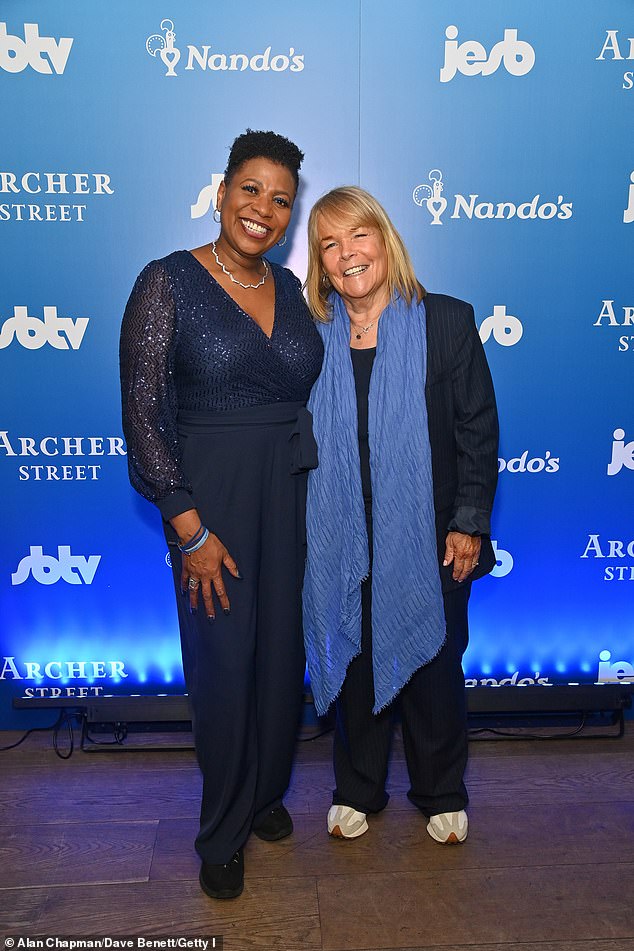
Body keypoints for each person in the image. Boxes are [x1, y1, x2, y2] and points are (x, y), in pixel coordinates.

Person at [119, 130, 323, 899]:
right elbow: (142, 412)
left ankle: (264, 790)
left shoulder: (294, 289)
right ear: (221, 192)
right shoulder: (167, 280)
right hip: (213, 505)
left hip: (291, 493)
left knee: (279, 658)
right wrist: (188, 526)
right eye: (251, 190)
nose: (263, 209)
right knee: (224, 666)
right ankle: (222, 828)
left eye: (280, 199)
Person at [302, 186, 498, 845]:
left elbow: (477, 429)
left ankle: (441, 789)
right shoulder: (309, 338)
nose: (346, 253)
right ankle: (358, 788)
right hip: (341, 535)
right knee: (355, 665)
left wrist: (468, 521)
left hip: (432, 534)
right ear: (319, 262)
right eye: (329, 243)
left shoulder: (445, 321)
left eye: (358, 235)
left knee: (434, 671)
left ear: (384, 241)